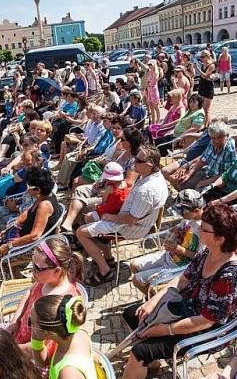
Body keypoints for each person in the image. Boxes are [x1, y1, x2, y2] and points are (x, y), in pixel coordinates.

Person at [116, 201, 237, 379]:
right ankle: (150, 363)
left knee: (140, 350)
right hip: (187, 309)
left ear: (220, 238)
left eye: (203, 228)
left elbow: (206, 321)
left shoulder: (231, 275)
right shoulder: (207, 252)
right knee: (134, 314)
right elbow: (183, 278)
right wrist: (155, 300)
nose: (197, 229)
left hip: (205, 330)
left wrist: (165, 330)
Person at [76, 145, 169, 285]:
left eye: (138, 160)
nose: (133, 161)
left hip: (130, 227)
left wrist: (110, 216)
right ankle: (108, 259)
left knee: (81, 233)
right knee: (91, 217)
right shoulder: (155, 176)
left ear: (149, 165)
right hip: (136, 219)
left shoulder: (147, 190)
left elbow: (131, 219)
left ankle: (105, 270)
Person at [0, 237, 83, 353]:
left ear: (57, 271)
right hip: (21, 334)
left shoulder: (60, 303)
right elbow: (29, 293)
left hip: (32, 352)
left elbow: (44, 346)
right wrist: (15, 322)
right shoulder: (44, 280)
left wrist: (12, 350)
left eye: (38, 267)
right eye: (33, 265)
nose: (32, 271)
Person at [0, 167, 61, 277]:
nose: (26, 189)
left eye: (29, 186)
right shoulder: (41, 197)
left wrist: (9, 245)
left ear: (38, 189)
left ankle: (14, 280)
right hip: (23, 239)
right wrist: (13, 225)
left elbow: (35, 236)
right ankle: (14, 274)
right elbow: (28, 212)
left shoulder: (45, 205)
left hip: (34, 246)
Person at [62, 126, 142, 232]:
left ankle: (79, 231)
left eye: (123, 139)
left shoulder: (134, 161)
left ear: (131, 141)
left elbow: (129, 183)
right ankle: (68, 223)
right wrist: (100, 182)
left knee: (86, 203)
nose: (120, 141)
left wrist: (107, 190)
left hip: (114, 192)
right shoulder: (123, 153)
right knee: (80, 189)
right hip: (106, 185)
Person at [130, 189, 204, 294]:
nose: (181, 214)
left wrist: (178, 249)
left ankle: (154, 301)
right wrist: (176, 232)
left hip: (179, 267)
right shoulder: (189, 218)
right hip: (169, 256)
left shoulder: (204, 229)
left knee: (137, 280)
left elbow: (200, 258)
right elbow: (179, 229)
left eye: (183, 211)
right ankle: (153, 298)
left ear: (196, 210)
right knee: (133, 264)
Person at [163, 121, 236, 192]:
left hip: (219, 181)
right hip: (208, 172)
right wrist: (189, 174)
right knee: (182, 182)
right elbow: (203, 160)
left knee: (194, 191)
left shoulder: (230, 149)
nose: (216, 141)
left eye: (219, 138)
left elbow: (227, 174)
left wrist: (205, 182)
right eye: (213, 138)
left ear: (226, 136)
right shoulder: (212, 142)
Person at [197, 50, 216, 127]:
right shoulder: (203, 64)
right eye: (200, 57)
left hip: (208, 88)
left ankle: (206, 125)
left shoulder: (211, 65)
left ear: (207, 56)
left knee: (206, 109)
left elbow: (205, 75)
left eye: (202, 57)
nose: (201, 58)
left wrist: (198, 69)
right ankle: (204, 123)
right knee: (201, 107)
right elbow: (203, 76)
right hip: (202, 86)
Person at [144, 60, 162, 125]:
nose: (150, 66)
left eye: (151, 64)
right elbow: (147, 81)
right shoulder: (149, 72)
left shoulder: (156, 72)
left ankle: (158, 121)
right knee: (151, 107)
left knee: (156, 107)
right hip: (149, 90)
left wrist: (149, 84)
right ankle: (153, 121)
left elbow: (154, 81)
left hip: (153, 90)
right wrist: (145, 88)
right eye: (149, 65)